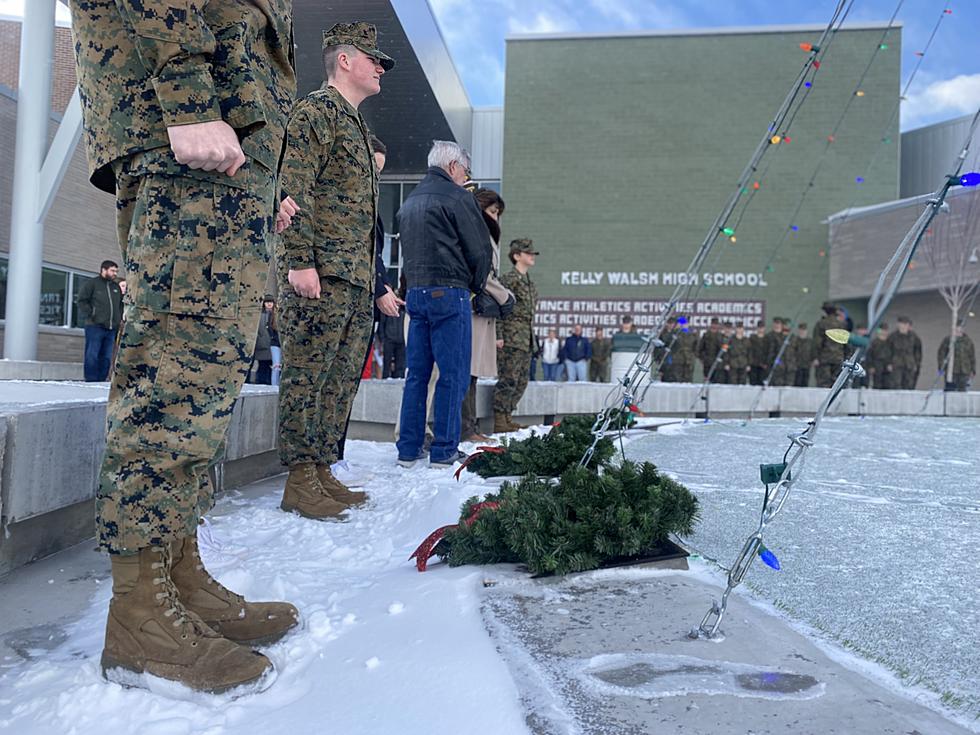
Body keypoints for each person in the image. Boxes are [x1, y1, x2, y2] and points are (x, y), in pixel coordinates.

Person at [68, 0, 299, 692]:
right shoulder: (185, 93)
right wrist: (189, 91)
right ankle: (141, 613)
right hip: (185, 112)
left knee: (203, 375)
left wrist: (270, 158)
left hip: (230, 125)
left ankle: (177, 576)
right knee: (174, 367)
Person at [276, 24, 394, 516]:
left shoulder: (355, 125)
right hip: (321, 274)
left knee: (339, 379)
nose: (381, 68)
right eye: (374, 59)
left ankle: (323, 467)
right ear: (345, 60)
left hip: (352, 277)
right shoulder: (316, 114)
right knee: (307, 375)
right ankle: (301, 480)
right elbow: (291, 190)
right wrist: (299, 262)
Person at [395, 141, 491, 466]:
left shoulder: (410, 200)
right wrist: (474, 287)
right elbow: (480, 251)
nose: (467, 177)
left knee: (417, 375)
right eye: (465, 170)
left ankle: (408, 449)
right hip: (450, 292)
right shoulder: (458, 197)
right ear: (452, 167)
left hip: (416, 293)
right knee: (453, 374)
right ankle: (445, 449)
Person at [333, 135, 404, 488]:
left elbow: (374, 253)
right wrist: (379, 290)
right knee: (333, 382)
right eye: (371, 170)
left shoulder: (371, 201)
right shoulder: (344, 196)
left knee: (347, 383)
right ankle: (326, 459)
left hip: (365, 299)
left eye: (379, 172)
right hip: (346, 297)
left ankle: (336, 454)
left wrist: (384, 284)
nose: (374, 178)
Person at [462, 188, 515, 443]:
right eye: (493, 211)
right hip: (474, 309)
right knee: (467, 371)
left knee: (471, 373)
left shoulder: (485, 232)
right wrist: (505, 296)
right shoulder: (477, 231)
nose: (496, 217)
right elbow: (483, 274)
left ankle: (468, 427)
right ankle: (466, 429)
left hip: (481, 311)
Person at [494, 239, 539, 432]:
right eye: (528, 253)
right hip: (510, 337)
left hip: (525, 338)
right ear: (516, 256)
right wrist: (498, 334)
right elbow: (499, 309)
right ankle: (499, 419)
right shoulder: (508, 280)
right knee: (508, 378)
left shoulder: (529, 283)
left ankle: (508, 415)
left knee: (522, 380)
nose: (532, 256)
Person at [76, 259, 123, 381]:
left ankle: (102, 380)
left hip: (111, 328)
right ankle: (91, 380)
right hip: (95, 326)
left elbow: (119, 305)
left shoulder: (115, 287)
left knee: (107, 356)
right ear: (104, 270)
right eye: (112, 270)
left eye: (116, 271)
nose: (115, 273)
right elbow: (81, 300)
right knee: (92, 354)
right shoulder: (92, 284)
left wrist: (118, 320)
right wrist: (91, 314)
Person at [885, 316, 922, 390]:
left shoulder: (914, 337)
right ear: (898, 325)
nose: (903, 326)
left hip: (909, 365)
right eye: (902, 324)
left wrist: (917, 364)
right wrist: (888, 363)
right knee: (896, 385)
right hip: (896, 364)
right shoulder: (892, 337)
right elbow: (887, 351)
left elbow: (918, 352)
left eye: (905, 324)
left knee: (909, 385)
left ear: (908, 325)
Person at [938, 322, 975, 392]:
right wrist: (941, 367)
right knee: (950, 390)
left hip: (964, 371)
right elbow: (941, 354)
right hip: (951, 371)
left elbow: (972, 356)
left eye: (961, 328)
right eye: (957, 328)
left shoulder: (968, 341)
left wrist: (973, 370)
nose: (959, 330)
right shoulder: (948, 340)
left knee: (962, 391)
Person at [251, 296, 279, 385]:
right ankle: (262, 382)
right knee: (263, 365)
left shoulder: (276, 314)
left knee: (273, 366)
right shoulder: (260, 314)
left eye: (271, 302)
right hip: (263, 344)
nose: (269, 304)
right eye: (267, 302)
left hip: (274, 343)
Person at [697, 319, 725, 383]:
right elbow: (700, 348)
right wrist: (702, 358)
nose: (714, 325)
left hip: (717, 362)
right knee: (707, 380)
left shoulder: (721, 336)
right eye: (713, 324)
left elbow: (723, 350)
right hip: (707, 362)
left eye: (716, 324)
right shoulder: (706, 335)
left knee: (717, 380)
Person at [866, 322, 892, 389]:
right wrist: (870, 366)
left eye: (885, 330)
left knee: (887, 385)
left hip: (887, 366)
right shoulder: (874, 342)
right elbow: (869, 355)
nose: (884, 332)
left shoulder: (890, 342)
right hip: (877, 365)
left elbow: (893, 354)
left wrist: (891, 364)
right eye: (882, 330)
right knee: (877, 385)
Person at [789, 322, 812, 387]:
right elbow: (791, 353)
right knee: (797, 383)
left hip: (806, 365)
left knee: (805, 383)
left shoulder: (810, 341)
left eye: (804, 330)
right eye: (801, 330)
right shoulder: (794, 340)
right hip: (796, 366)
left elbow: (812, 352)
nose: (802, 332)